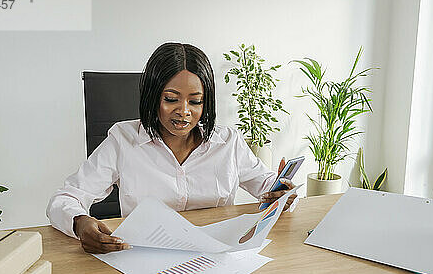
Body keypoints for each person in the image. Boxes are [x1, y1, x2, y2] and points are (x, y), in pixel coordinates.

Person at [47, 42, 297, 254]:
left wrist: (282, 194)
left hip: (214, 255)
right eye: (170, 99)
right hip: (145, 255)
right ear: (152, 96)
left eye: (196, 101)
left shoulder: (228, 142)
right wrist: (79, 222)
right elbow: (65, 198)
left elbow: (267, 188)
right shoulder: (123, 140)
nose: (184, 111)